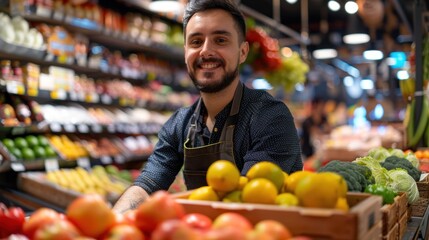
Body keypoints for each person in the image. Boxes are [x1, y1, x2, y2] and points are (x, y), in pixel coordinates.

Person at [113, 0, 303, 213]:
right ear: (185, 53)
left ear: (242, 52)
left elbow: (249, 200)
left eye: (220, 40)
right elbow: (148, 183)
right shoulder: (180, 123)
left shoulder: (270, 117)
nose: (206, 51)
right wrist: (114, 222)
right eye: (196, 41)